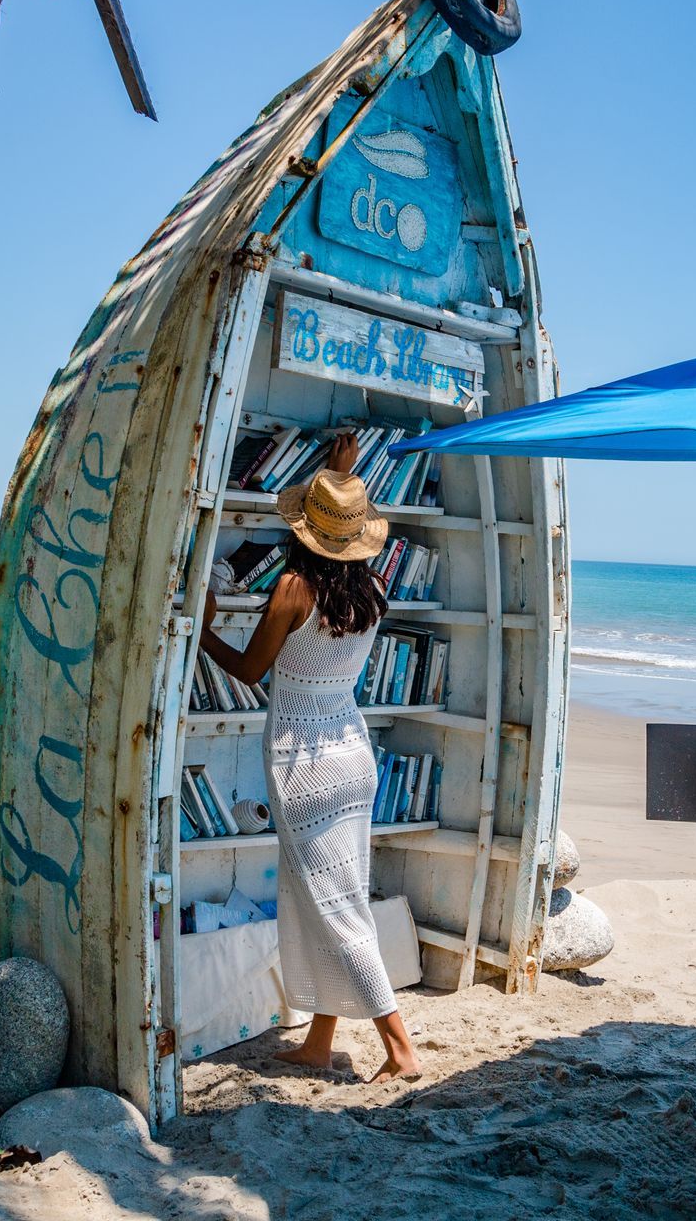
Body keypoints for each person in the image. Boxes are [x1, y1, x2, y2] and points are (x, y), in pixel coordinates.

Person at [199, 432, 421, 1084]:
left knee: (335, 907)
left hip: (302, 761)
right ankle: (321, 1041)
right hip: (352, 752)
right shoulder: (371, 589)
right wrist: (342, 473)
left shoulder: (294, 587)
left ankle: (400, 1047)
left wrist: (205, 625)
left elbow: (250, 667)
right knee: (315, 896)